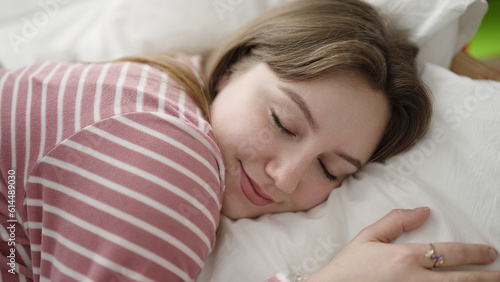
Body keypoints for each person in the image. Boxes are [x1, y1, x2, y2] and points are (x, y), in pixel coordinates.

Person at [0, 0, 498, 281]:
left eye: (331, 170)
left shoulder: (144, 92)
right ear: (232, 68)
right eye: (282, 122)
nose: (284, 178)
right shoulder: (168, 156)